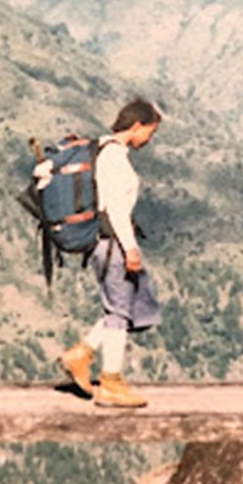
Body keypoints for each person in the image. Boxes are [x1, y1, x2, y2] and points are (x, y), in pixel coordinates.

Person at [59, 98, 162, 407]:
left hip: (104, 241)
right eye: (150, 133)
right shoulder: (114, 157)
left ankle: (82, 354)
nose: (149, 140)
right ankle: (111, 383)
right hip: (112, 241)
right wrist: (130, 248)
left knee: (124, 306)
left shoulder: (102, 149)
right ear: (136, 126)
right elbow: (116, 208)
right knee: (118, 311)